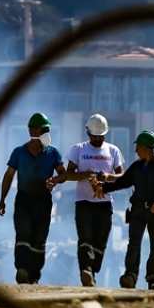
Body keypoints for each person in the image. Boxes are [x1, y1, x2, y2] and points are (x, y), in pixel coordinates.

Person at [50, 114, 125, 287]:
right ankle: (86, 270)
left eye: (101, 136)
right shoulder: (79, 150)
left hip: (104, 203)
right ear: (88, 133)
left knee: (100, 242)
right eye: (94, 136)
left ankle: (92, 270)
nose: (98, 139)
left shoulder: (113, 151)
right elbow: (68, 174)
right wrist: (84, 175)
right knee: (85, 238)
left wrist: (106, 177)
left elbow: (123, 176)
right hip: (83, 202)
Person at [98, 131, 154, 291]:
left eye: (138, 147)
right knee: (134, 243)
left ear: (147, 148)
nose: (136, 150)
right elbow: (122, 182)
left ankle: (152, 278)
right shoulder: (137, 167)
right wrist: (103, 188)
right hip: (138, 211)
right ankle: (130, 276)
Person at [0, 112, 67, 284]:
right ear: (32, 132)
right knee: (23, 233)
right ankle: (22, 269)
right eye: (43, 130)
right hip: (24, 200)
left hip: (43, 200)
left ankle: (34, 275)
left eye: (47, 130)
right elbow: (8, 176)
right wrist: (2, 199)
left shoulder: (53, 153)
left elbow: (63, 174)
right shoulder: (19, 153)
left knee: (39, 238)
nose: (46, 133)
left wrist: (55, 180)